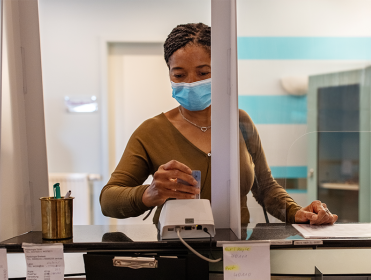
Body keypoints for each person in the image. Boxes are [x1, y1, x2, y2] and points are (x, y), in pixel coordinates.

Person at [100, 23, 338, 226]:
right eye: (179, 75)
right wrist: (148, 193)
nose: (192, 83)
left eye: (203, 73)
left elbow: (265, 187)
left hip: (238, 255)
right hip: (178, 254)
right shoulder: (151, 132)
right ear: (169, 74)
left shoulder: (240, 122)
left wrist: (298, 212)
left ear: (222, 71)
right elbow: (108, 199)